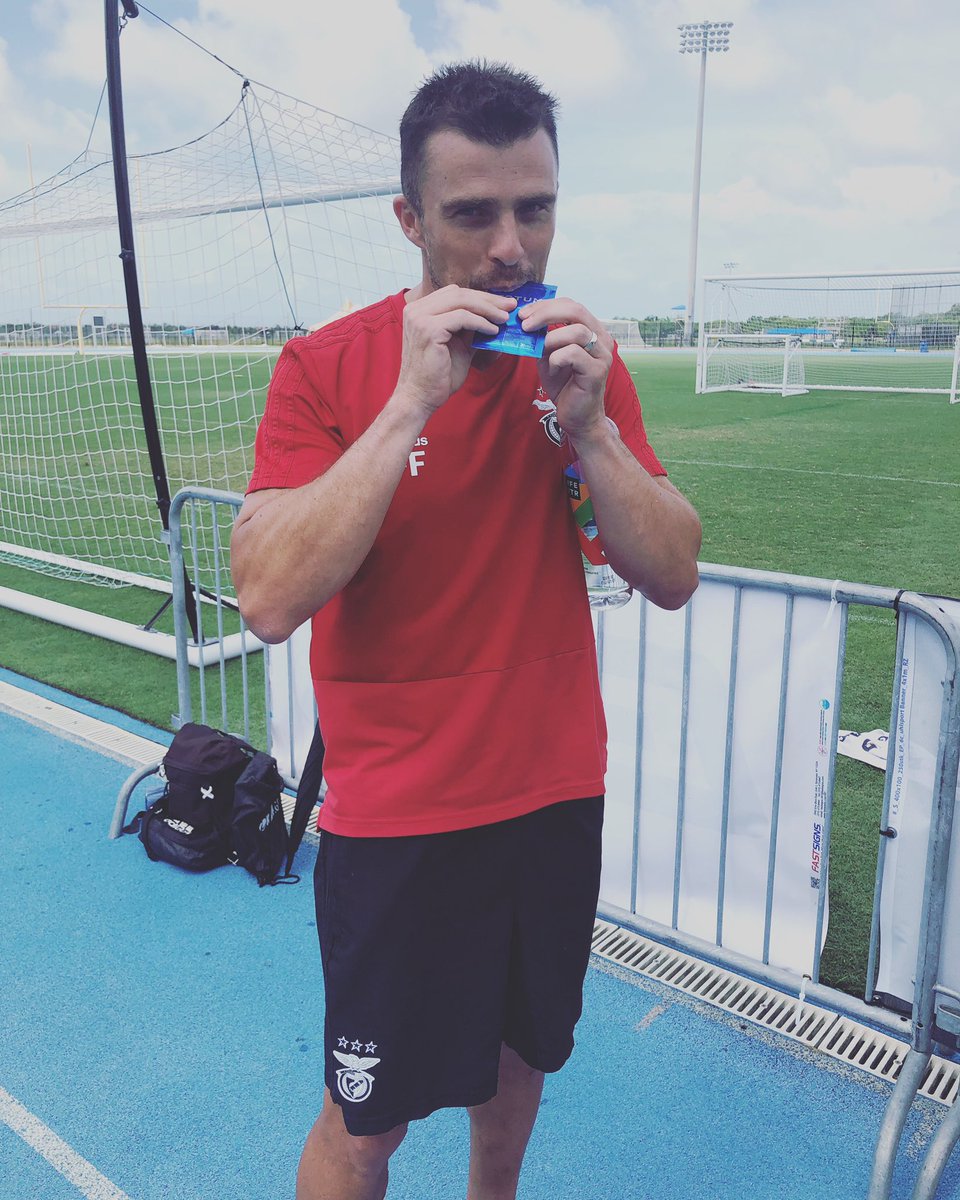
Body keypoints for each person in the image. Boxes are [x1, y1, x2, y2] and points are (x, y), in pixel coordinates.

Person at [232, 60, 701, 1200]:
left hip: (549, 802)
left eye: (533, 208)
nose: (510, 247)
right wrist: (410, 405)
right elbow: (267, 598)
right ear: (409, 220)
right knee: (366, 1125)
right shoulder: (330, 367)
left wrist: (590, 433)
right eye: (473, 214)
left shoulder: (579, 365)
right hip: (398, 823)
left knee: (519, 1069)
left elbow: (673, 568)